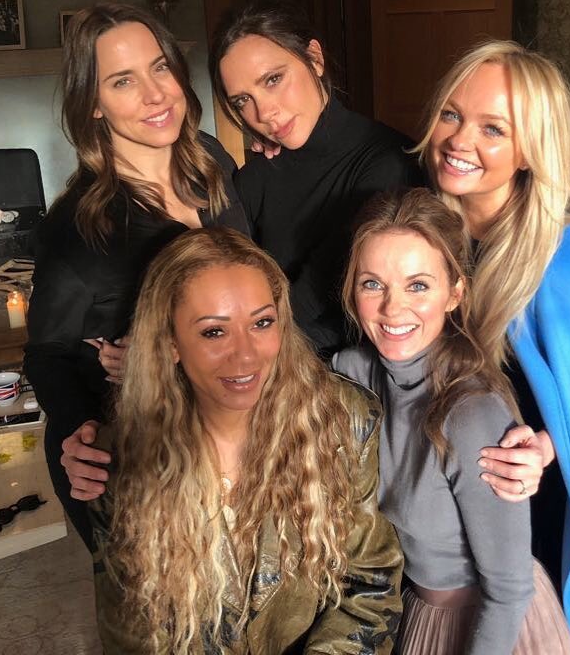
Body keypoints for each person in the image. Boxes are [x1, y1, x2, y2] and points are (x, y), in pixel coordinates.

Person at [415, 40, 570, 655]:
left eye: (493, 128)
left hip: (519, 500)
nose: (459, 139)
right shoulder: (416, 237)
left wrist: (550, 447)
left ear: (530, 150)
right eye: (451, 114)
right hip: (427, 500)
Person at [88, 226, 403, 653]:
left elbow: (369, 585)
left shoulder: (344, 421)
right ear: (171, 341)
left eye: (262, 323)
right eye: (214, 332)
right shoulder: (120, 456)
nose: (246, 355)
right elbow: (132, 632)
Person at [24, 3, 248, 548]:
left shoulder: (210, 162)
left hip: (230, 433)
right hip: (140, 460)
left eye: (160, 67)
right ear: (93, 104)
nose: (155, 95)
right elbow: (48, 353)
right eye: (123, 81)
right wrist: (78, 429)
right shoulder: (79, 227)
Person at [333, 188, 570, 655]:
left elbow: (508, 592)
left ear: (454, 293)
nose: (392, 308)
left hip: (493, 627)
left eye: (418, 285)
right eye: (372, 284)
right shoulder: (352, 374)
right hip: (413, 608)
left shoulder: (471, 414)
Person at [210, 0, 422, 354]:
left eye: (273, 79)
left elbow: (322, 298)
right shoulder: (256, 177)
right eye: (243, 100)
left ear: (315, 58)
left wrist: (238, 349)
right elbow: (222, 282)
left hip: (343, 375)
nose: (264, 113)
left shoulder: (390, 162)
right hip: (265, 363)